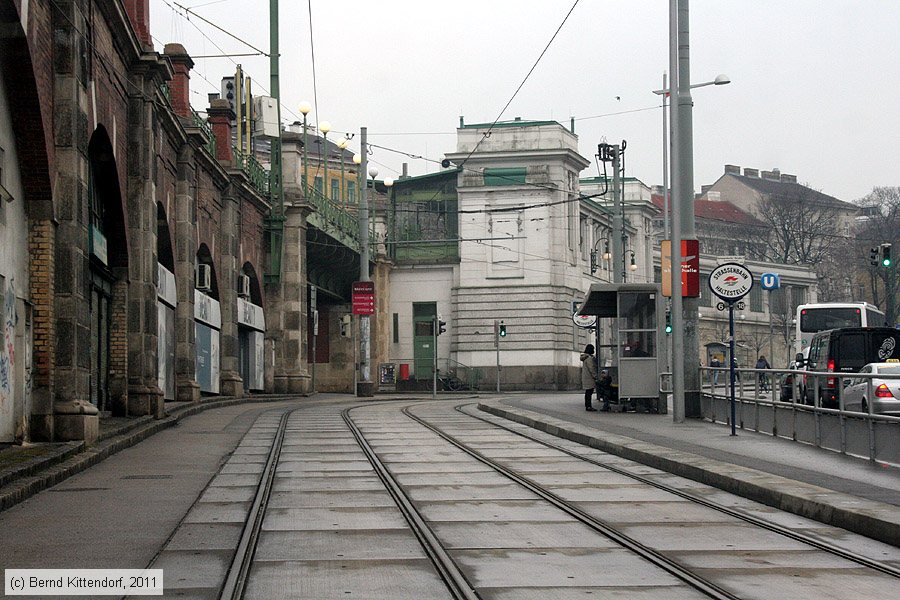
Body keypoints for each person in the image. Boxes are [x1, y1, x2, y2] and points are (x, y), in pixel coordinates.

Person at [580, 344, 599, 411]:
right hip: (589, 378)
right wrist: (596, 376)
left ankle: (588, 406)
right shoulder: (589, 358)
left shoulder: (585, 357)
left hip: (586, 377)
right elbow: (591, 368)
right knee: (589, 392)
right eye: (593, 349)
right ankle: (588, 406)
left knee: (588, 392)